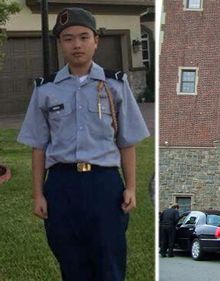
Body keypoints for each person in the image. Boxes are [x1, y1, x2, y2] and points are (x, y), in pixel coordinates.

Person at [17, 7, 149, 281]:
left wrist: (132, 187)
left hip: (104, 185)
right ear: (60, 43)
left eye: (83, 37)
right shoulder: (46, 89)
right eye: (68, 38)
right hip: (61, 186)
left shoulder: (115, 85)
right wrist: (38, 194)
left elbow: (127, 143)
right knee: (71, 262)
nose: (76, 44)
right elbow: (39, 146)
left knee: (110, 262)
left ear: (96, 40)